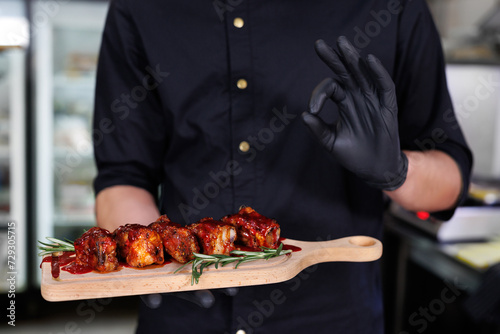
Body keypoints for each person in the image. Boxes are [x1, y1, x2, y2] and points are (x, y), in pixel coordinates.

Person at [92, 0, 472, 333]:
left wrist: (396, 169)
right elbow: (122, 177)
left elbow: (450, 182)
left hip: (332, 318)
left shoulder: (390, 6)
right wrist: (155, 267)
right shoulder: (139, 7)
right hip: (184, 315)